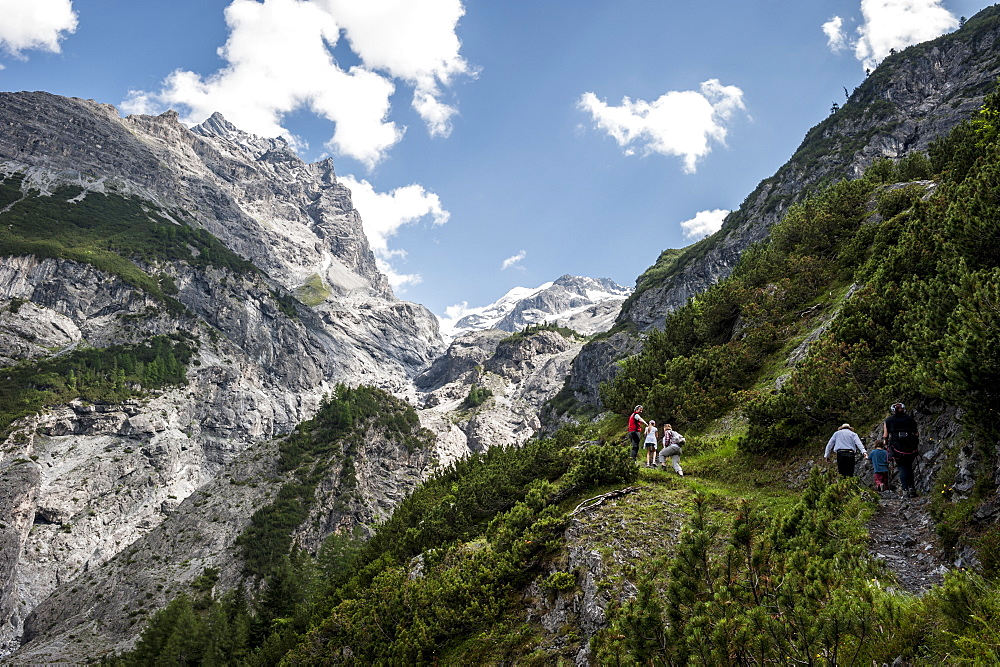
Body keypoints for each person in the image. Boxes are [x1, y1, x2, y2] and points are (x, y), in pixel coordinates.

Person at [884, 402, 920, 497]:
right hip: (910, 445)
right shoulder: (910, 419)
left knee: (902, 467)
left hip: (896, 446)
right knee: (909, 467)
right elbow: (916, 433)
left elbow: (885, 435)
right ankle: (912, 488)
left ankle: (905, 489)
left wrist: (886, 443)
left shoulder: (888, 420)